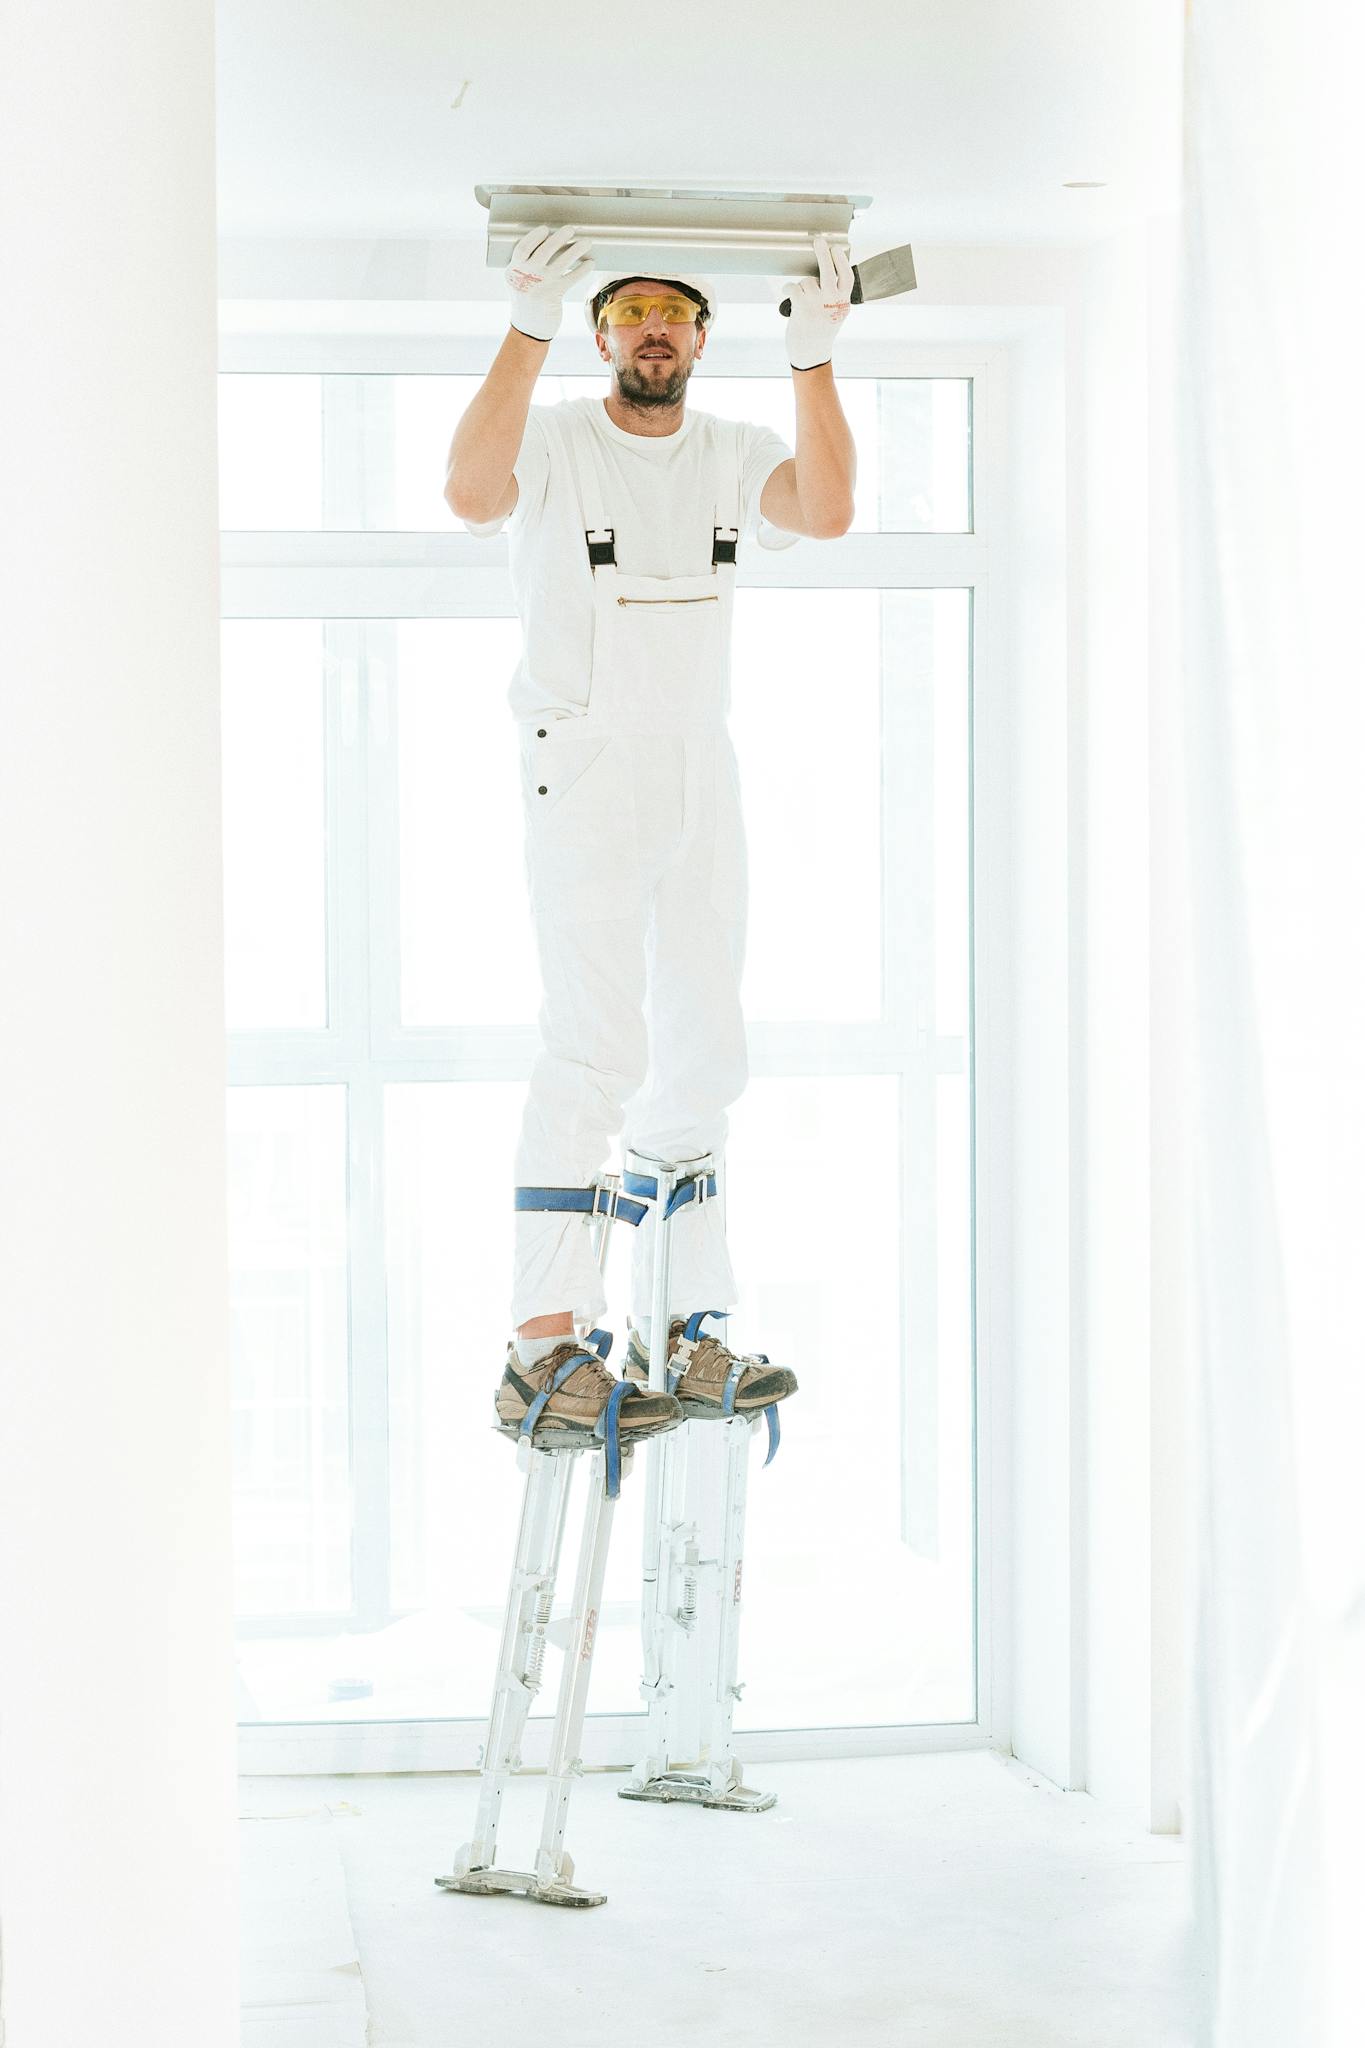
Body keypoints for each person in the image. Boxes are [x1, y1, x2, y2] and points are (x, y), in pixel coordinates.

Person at [443, 224, 857, 1463]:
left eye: (675, 310)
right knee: (595, 1044)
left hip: (696, 765)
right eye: (630, 311)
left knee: (700, 1048)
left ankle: (679, 1326)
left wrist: (816, 359)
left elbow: (826, 512)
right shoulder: (561, 440)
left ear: (702, 336)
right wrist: (523, 325)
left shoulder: (732, 454)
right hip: (587, 759)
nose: (654, 328)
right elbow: (470, 493)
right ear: (603, 332)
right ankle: (542, 1346)